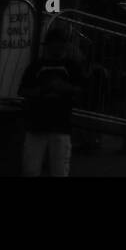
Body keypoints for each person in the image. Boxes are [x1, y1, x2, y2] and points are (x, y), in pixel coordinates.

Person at [19, 26, 85, 176]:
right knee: (39, 169)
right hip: (45, 124)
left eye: (60, 43)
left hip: (51, 124)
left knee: (49, 169)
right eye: (56, 43)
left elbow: (23, 90)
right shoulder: (41, 66)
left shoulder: (42, 66)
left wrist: (58, 88)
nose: (58, 46)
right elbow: (23, 90)